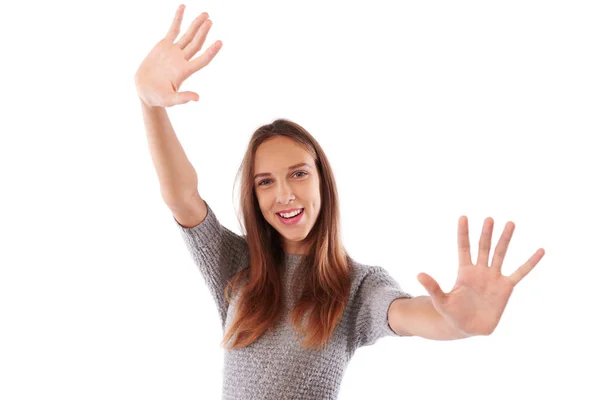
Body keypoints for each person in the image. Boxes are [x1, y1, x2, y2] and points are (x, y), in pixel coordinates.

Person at [134, 5, 546, 399]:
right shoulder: (236, 266)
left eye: (299, 173)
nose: (285, 194)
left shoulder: (356, 285)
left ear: (322, 182)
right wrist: (151, 107)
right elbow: (182, 197)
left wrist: (457, 323)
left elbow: (406, 314)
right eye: (265, 182)